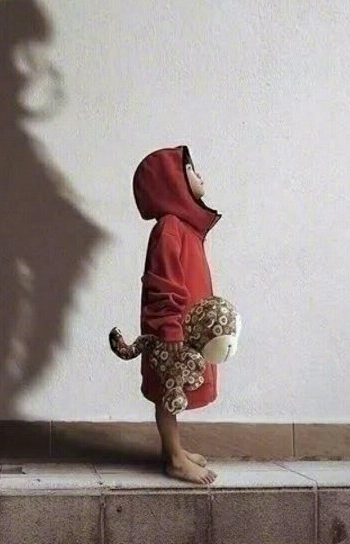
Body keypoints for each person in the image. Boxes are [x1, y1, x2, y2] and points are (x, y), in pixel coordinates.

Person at [132, 145, 221, 484]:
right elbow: (163, 282)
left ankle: (175, 449)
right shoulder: (170, 228)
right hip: (171, 332)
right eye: (191, 170)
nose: (200, 176)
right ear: (174, 182)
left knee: (175, 392)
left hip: (184, 330)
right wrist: (169, 330)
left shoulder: (185, 229)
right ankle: (174, 460)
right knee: (168, 393)